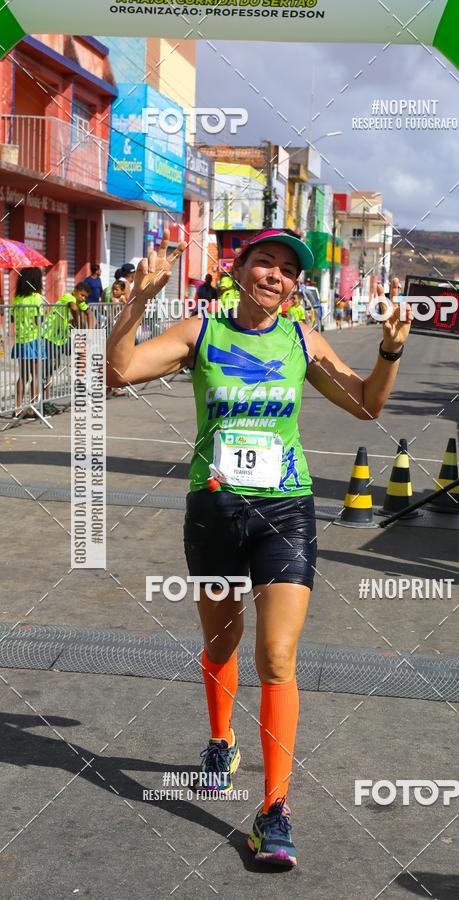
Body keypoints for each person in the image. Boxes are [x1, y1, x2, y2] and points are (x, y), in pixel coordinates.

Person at [106, 228, 412, 868]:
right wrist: (136, 301)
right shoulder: (202, 334)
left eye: (287, 270)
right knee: (221, 643)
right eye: (265, 262)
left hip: (286, 510)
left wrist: (389, 352)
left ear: (296, 287)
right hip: (214, 512)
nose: (276, 275)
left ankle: (274, 808)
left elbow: (365, 405)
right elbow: (119, 370)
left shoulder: (303, 340)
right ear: (237, 270)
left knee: (277, 655)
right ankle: (222, 739)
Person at [42, 282, 89, 415]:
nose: (83, 299)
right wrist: (79, 324)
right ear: (75, 291)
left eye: (86, 297)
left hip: (62, 339)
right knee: (49, 370)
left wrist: (89, 331)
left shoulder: (79, 301)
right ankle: (45, 402)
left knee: (83, 351)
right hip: (49, 337)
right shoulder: (68, 297)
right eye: (82, 295)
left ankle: (80, 383)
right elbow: (74, 309)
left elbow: (89, 313)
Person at [10, 267, 46, 418]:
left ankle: (17, 407)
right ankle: (32, 408)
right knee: (36, 375)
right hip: (34, 339)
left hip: (20, 341)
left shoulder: (17, 299)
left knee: (23, 375)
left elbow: (12, 319)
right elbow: (39, 320)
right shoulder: (37, 298)